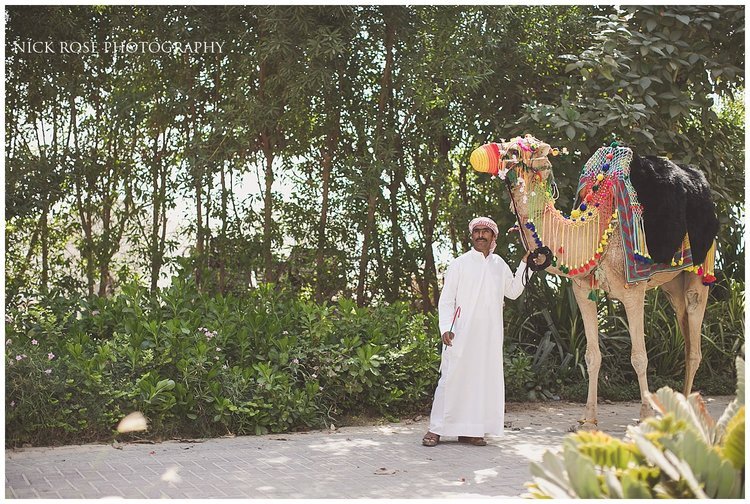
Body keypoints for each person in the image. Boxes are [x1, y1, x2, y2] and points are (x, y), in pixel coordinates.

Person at [422, 216, 532, 447]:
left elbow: (513, 292)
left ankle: (471, 430)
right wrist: (445, 329)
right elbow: (447, 301)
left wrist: (526, 264)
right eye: (477, 231)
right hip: (459, 334)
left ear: (493, 236)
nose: (480, 235)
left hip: (488, 337)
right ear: (472, 235)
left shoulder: (499, 265)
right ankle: (436, 430)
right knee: (450, 380)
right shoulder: (459, 264)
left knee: (480, 382)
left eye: (485, 231)